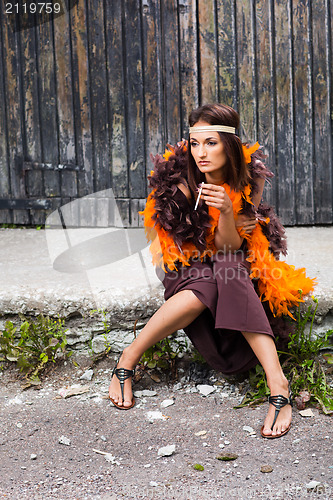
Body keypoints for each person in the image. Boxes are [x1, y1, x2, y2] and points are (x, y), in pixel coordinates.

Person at [108, 103, 315, 439]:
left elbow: (230, 248)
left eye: (211, 143)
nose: (200, 153)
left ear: (229, 144)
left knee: (229, 266)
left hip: (228, 259)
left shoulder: (252, 176)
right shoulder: (180, 183)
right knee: (210, 281)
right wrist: (226, 226)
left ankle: (278, 382)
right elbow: (193, 249)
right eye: (195, 143)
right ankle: (128, 357)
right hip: (186, 264)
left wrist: (229, 214)